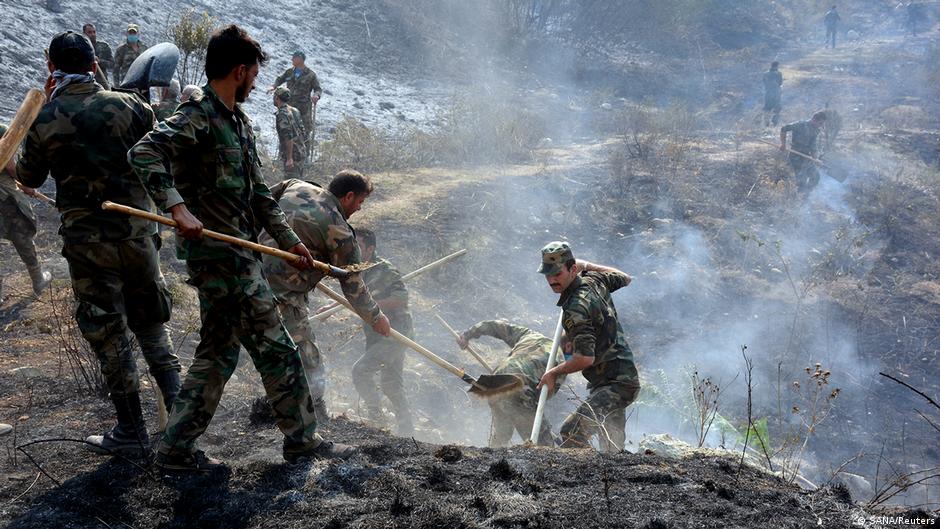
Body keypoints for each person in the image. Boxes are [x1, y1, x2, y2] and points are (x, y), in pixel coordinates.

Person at [129, 25, 356, 470]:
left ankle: (175, 449)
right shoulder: (198, 117)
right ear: (239, 71)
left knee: (219, 353)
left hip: (243, 253)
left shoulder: (239, 123)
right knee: (274, 346)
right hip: (219, 258)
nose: (256, 82)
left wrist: (290, 241)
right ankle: (303, 441)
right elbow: (144, 153)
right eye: (253, 73)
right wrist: (176, 208)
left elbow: (259, 196)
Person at [16, 31, 180, 457]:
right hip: (139, 235)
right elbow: (164, 156)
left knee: (110, 336)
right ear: (94, 65)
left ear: (51, 68)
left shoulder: (46, 117)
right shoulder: (133, 107)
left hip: (89, 247)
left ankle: (131, 432)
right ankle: (182, 427)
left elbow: (29, 178)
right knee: (152, 329)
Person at [264, 173, 390, 424]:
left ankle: (278, 410)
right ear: (349, 196)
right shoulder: (340, 231)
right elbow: (353, 286)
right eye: (359, 202)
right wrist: (376, 317)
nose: (359, 208)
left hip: (250, 280)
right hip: (284, 298)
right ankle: (313, 420)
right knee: (309, 362)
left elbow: (260, 201)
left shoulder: (294, 185)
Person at [536, 242, 640, 453]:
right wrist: (588, 265)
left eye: (557, 273)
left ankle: (581, 481)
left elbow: (585, 359)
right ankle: (610, 480)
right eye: (547, 274)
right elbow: (626, 278)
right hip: (620, 379)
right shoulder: (595, 279)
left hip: (614, 384)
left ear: (573, 269)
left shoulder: (576, 307)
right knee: (612, 448)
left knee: (571, 433)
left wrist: (553, 373)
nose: (551, 280)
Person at [457, 319, 568, 447]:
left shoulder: (530, 335)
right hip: (520, 390)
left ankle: (490, 459)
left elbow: (495, 326)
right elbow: (542, 397)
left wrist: (467, 335)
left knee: (502, 435)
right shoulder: (561, 363)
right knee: (543, 446)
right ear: (569, 346)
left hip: (495, 384)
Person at [351, 228, 413, 435]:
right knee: (391, 385)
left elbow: (401, 298)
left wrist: (373, 306)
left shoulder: (384, 269)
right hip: (376, 335)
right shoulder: (357, 270)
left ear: (370, 249)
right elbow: (354, 299)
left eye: (358, 246)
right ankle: (407, 431)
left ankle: (377, 422)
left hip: (395, 334)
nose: (354, 250)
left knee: (360, 371)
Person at [0, 124, 51, 303]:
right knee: (21, 235)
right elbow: (11, 167)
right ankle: (38, 280)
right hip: (5, 198)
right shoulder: (3, 131)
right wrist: (27, 185)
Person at [269, 51, 321, 152]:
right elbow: (280, 79)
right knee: (287, 130)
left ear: (300, 59)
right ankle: (284, 154)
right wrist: (273, 86)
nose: (292, 60)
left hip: (304, 109)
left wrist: (316, 95)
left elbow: (317, 88)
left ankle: (305, 155)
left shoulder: (310, 75)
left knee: (305, 131)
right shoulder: (289, 72)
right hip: (289, 107)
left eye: (294, 58)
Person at [780, 111, 827, 192]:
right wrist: (783, 144)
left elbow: (813, 146)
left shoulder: (816, 131)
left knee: (816, 177)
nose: (821, 126)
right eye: (820, 123)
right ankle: (799, 198)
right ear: (814, 119)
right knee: (802, 181)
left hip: (807, 157)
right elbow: (784, 128)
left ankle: (806, 194)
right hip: (796, 157)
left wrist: (816, 159)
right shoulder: (800, 125)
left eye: (822, 124)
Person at [273, 87, 306, 179]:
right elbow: (303, 132)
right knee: (298, 182)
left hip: (293, 155)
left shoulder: (282, 114)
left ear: (277, 98)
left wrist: (289, 158)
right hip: (301, 152)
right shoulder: (294, 110)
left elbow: (288, 136)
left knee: (291, 184)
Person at [82, 23, 113, 90]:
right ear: (84, 34)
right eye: (89, 32)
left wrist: (100, 61)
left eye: (94, 32)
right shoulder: (80, 48)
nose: (93, 34)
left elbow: (112, 64)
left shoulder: (104, 46)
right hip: (85, 84)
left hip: (102, 82)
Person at [762, 61, 783, 127]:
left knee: (767, 109)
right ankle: (774, 124)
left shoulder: (765, 74)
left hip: (768, 94)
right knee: (777, 109)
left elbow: (764, 83)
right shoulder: (779, 73)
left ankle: (766, 124)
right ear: (777, 66)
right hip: (776, 94)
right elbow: (780, 83)